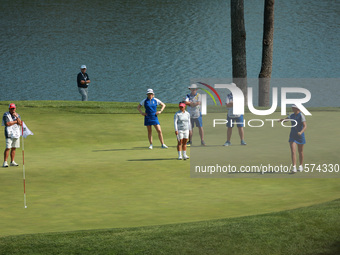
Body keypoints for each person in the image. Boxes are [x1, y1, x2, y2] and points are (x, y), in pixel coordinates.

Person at [279, 104, 307, 173]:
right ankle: (294, 167)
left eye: (293, 108)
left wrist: (301, 132)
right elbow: (286, 119)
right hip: (292, 136)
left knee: (300, 151)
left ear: (297, 108)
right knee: (293, 151)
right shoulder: (292, 115)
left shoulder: (301, 115)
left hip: (300, 136)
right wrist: (281, 120)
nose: (292, 109)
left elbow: (305, 126)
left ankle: (300, 166)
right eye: (292, 108)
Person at [2, 103, 22, 167]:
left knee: (14, 148)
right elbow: (7, 123)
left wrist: (16, 117)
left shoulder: (17, 115)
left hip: (16, 133)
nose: (13, 109)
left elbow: (20, 123)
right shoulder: (6, 115)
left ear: (15, 108)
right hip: (9, 133)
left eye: (14, 108)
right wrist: (16, 121)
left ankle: (12, 161)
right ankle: (5, 162)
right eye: (11, 108)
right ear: (9, 109)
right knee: (8, 147)